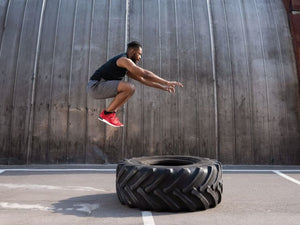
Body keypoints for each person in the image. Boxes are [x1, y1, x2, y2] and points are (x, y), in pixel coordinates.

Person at [87, 41, 183, 128]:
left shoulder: (126, 67)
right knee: (129, 88)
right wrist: (167, 81)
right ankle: (107, 114)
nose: (140, 57)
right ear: (133, 51)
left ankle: (110, 114)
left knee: (131, 89)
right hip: (95, 86)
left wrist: (163, 87)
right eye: (139, 54)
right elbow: (145, 74)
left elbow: (142, 79)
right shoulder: (124, 60)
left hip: (98, 87)